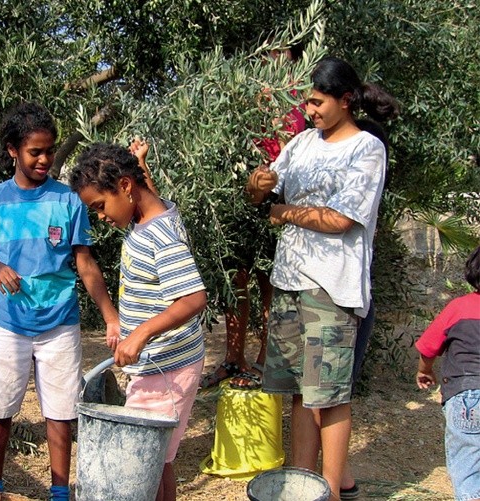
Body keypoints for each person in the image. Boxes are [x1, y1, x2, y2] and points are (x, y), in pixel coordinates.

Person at [247, 56, 398, 500]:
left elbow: (339, 220)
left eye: (317, 101)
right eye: (308, 102)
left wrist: (280, 211)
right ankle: (301, 484)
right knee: (299, 392)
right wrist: (258, 187)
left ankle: (330, 491)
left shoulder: (366, 149)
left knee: (329, 396)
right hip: (290, 280)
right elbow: (261, 196)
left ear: (345, 100)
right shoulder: (302, 143)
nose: (309, 110)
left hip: (331, 286)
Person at [0, 102, 120, 501]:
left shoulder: (67, 201)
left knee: (61, 410)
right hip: (7, 323)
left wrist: (110, 317)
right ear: (13, 150)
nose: (45, 159)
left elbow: (85, 264)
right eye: (35, 151)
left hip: (60, 324)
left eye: (49, 150)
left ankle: (59, 492)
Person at [69, 142, 208, 501]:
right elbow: (150, 196)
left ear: (126, 186)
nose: (100, 216)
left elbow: (194, 298)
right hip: (158, 365)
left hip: (168, 367)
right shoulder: (150, 214)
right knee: (157, 458)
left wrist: (141, 334)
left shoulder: (159, 235)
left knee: (146, 457)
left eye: (99, 206)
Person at [200, 43, 307, 391]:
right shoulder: (248, 99)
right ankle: (233, 358)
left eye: (281, 56)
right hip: (240, 197)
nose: (272, 62)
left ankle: (263, 360)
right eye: (268, 56)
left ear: (292, 61)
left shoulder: (298, 103)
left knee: (267, 281)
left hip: (276, 198)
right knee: (236, 279)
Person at [416, 246, 480, 501]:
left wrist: (424, 371)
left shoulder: (459, 307)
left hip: (466, 395)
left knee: (467, 463)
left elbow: (428, 346)